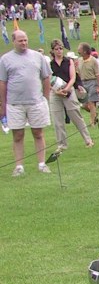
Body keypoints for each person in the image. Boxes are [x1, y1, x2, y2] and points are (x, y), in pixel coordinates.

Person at [0, 29, 52, 175]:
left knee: (38, 132)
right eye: (20, 40)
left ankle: (42, 164)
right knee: (17, 135)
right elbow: (2, 82)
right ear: (14, 41)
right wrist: (2, 105)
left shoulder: (37, 56)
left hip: (36, 102)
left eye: (25, 40)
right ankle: (19, 166)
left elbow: (46, 77)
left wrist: (45, 97)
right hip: (14, 103)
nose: (24, 43)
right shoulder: (5, 59)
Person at [47, 40, 93, 150]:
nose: (59, 51)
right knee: (58, 120)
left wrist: (67, 89)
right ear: (53, 50)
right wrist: (56, 91)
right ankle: (62, 145)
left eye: (61, 48)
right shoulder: (50, 64)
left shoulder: (69, 62)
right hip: (55, 92)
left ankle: (88, 140)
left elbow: (73, 77)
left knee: (76, 116)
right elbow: (47, 80)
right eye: (56, 49)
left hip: (68, 90)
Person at [76, 42, 99, 125]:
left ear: (85, 51)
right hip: (83, 83)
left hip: (92, 82)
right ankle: (94, 113)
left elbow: (97, 74)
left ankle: (92, 122)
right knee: (83, 104)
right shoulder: (79, 60)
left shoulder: (93, 60)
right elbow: (78, 72)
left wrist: (98, 85)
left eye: (79, 49)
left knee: (91, 102)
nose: (78, 50)